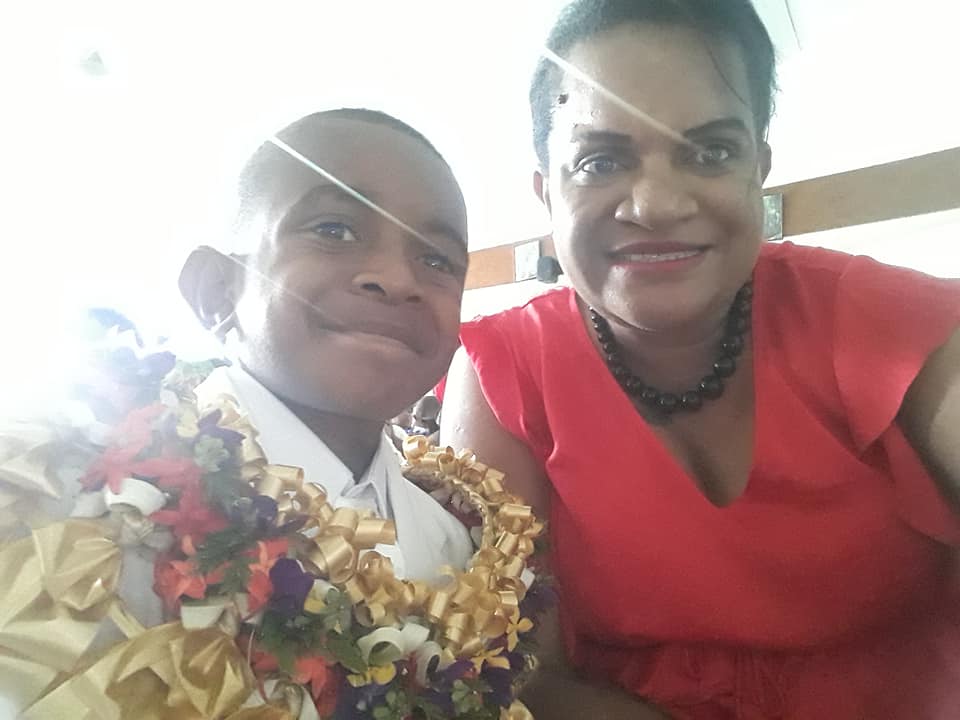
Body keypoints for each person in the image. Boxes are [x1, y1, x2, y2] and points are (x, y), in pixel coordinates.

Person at [440, 1, 960, 718]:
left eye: (710, 151)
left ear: (759, 169)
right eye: (600, 160)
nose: (656, 204)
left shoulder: (881, 320)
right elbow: (523, 673)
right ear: (547, 194)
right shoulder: (503, 372)